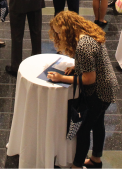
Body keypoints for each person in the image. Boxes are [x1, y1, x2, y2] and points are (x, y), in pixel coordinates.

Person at [44, 12, 114, 169]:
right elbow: (95, 60)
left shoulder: (83, 46)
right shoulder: (87, 32)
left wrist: (60, 78)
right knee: (98, 124)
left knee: (83, 130)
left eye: (60, 33)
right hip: (108, 87)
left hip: (99, 93)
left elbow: (89, 79)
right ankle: (96, 159)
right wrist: (78, 66)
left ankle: (77, 166)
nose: (59, 36)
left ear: (68, 29)